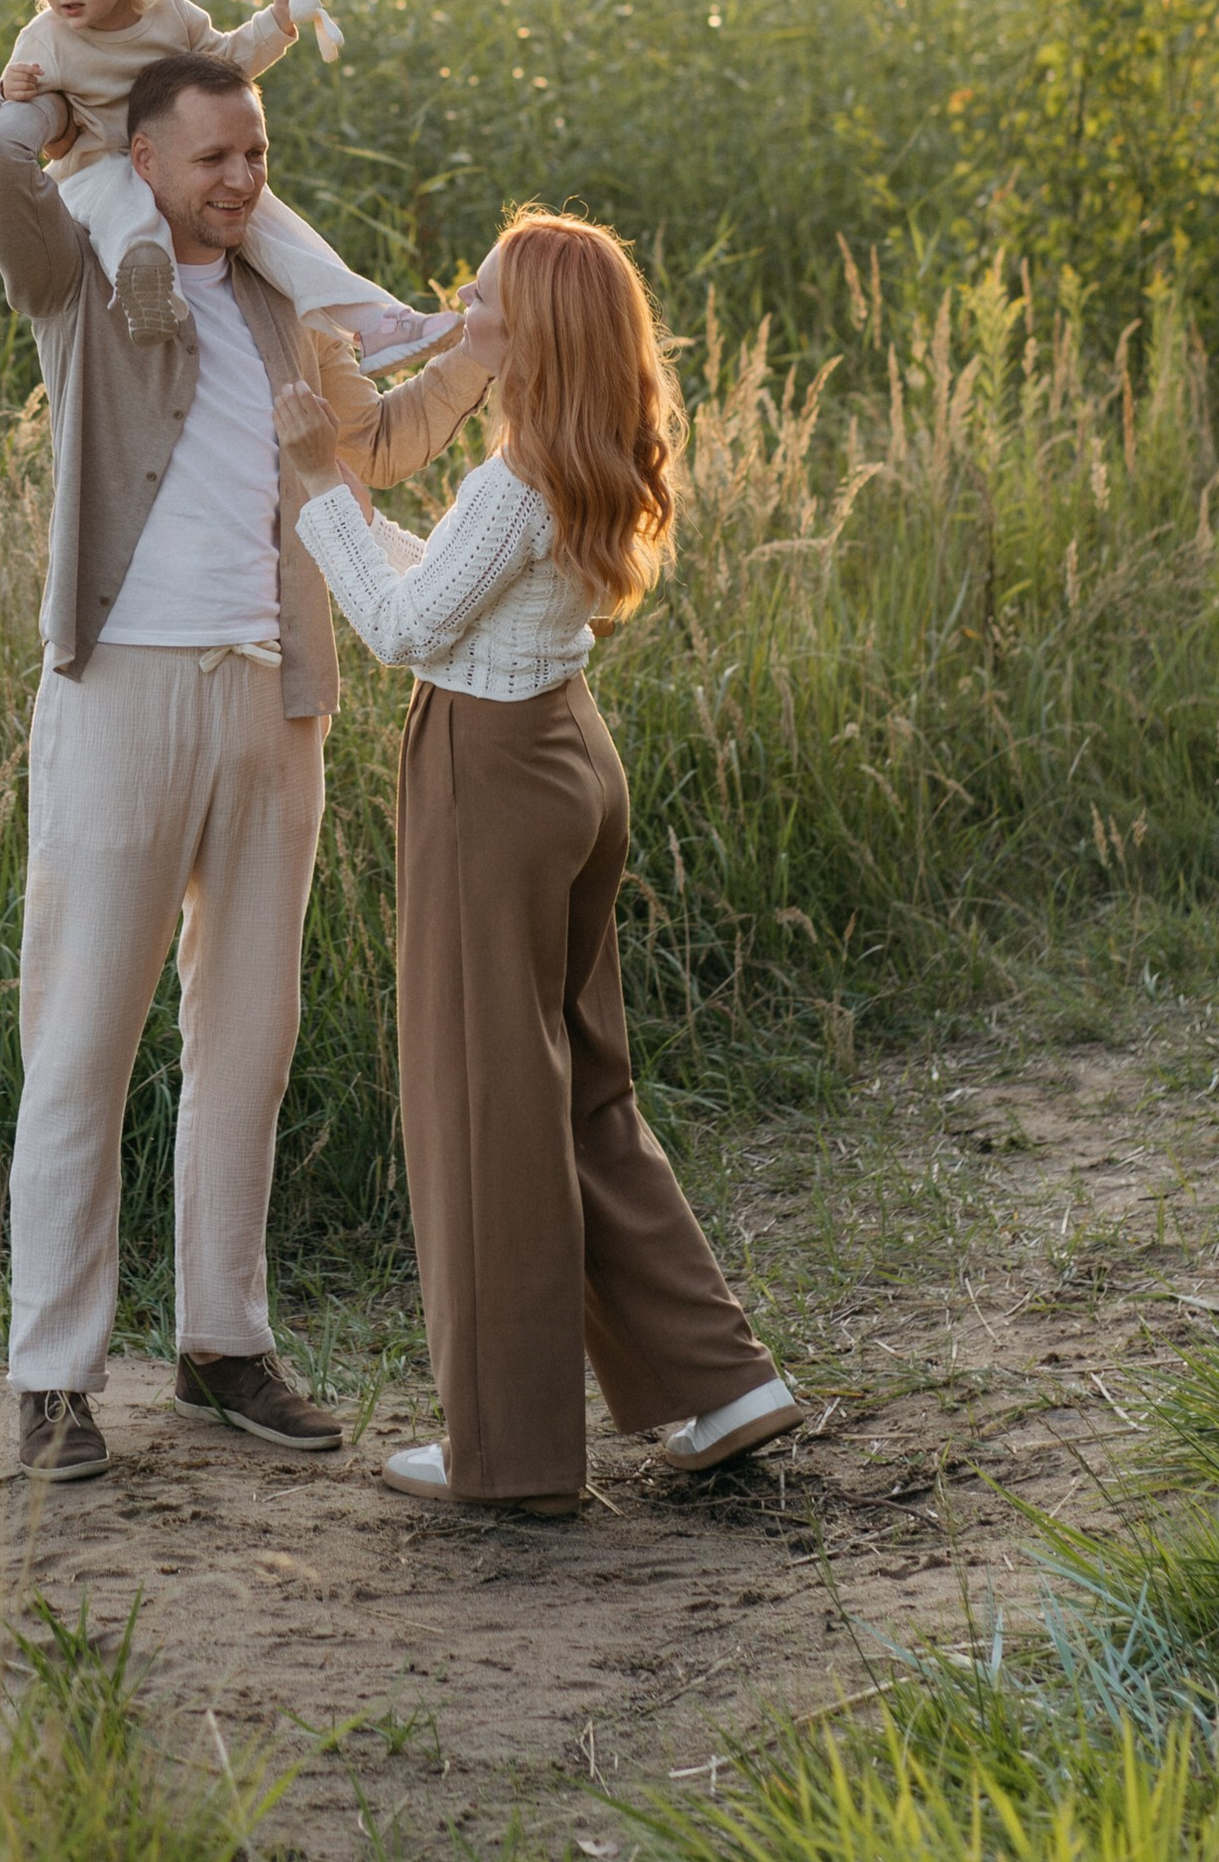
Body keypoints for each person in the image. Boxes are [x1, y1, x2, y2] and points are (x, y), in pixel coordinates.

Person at [0, 50, 489, 1483]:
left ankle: (222, 1347)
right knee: (80, 1045)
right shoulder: (79, 279)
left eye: (256, 154)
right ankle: (54, 1378)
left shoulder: (282, 302)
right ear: (144, 163)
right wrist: (47, 92)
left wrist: (481, 353)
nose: (245, 182)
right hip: (123, 693)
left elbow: (373, 453)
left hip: (276, 697)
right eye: (213, 160)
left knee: (248, 1039)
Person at [272, 211, 801, 1517]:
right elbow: (450, 584)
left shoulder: (515, 480)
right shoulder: (573, 454)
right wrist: (355, 512)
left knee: (483, 1107)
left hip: (492, 778)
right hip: (567, 758)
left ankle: (504, 1453)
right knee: (581, 1097)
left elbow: (402, 628)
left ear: (535, 333)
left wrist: (314, 489)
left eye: (485, 300)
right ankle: (721, 1381)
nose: (461, 311)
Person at [0, 0, 458, 368]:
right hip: (98, 166)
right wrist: (6, 89)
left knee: (278, 227)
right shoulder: (47, 37)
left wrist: (277, 21)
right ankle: (150, 298)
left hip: (182, 162)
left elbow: (227, 62)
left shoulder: (167, 12)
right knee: (125, 209)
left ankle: (376, 323)